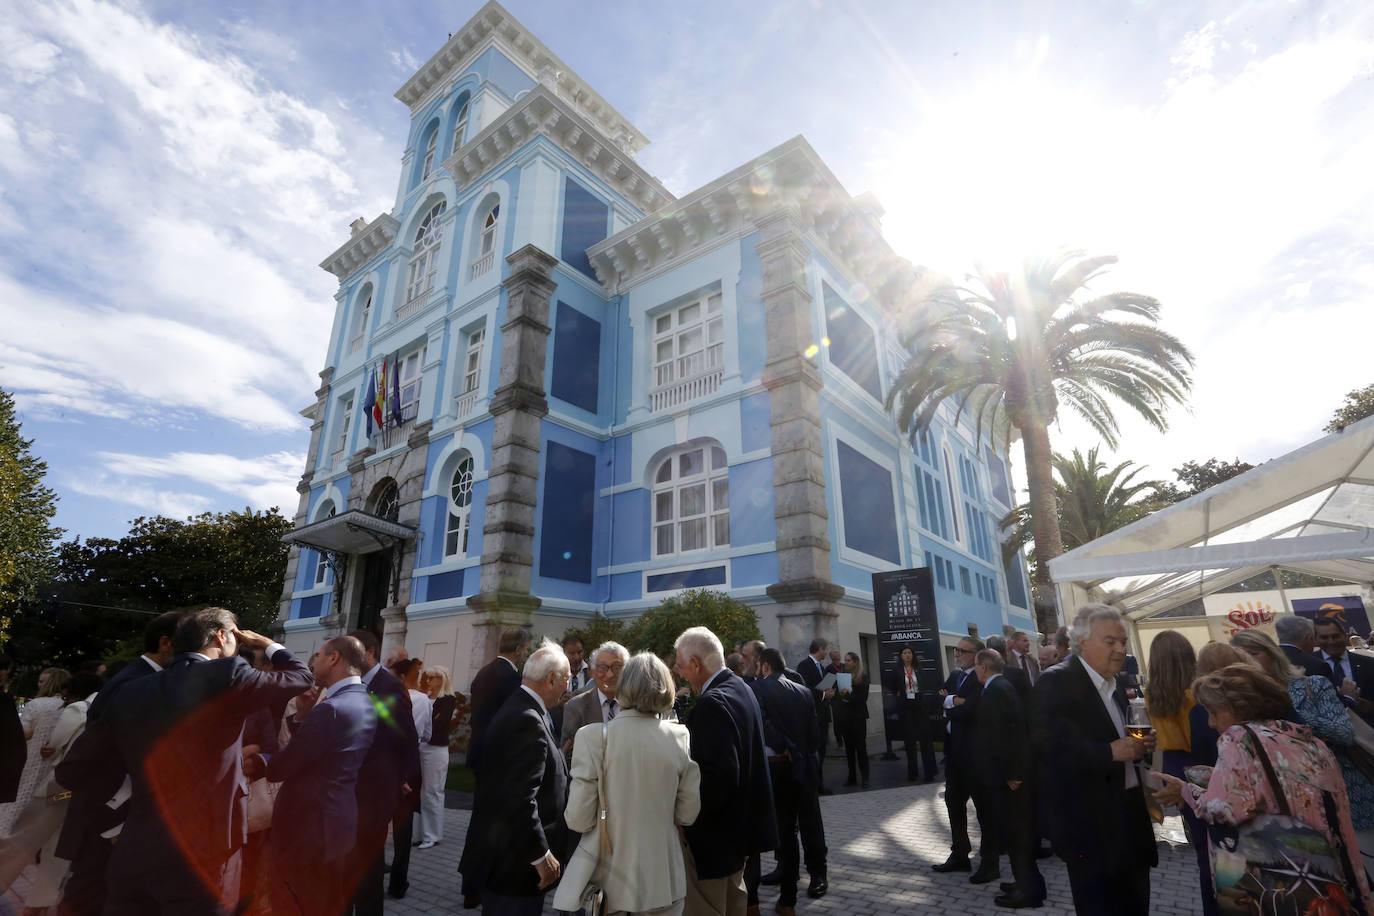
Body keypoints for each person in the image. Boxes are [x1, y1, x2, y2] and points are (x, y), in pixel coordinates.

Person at [61, 608, 312, 915]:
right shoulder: (228, 674)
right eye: (237, 636)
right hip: (205, 853)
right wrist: (267, 643)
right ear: (222, 636)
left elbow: (75, 769)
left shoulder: (132, 691)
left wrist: (114, 823)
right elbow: (301, 677)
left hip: (135, 845)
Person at [1154, 663, 1374, 913]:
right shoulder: (1309, 741)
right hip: (1332, 880)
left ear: (1240, 707)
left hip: (1282, 886)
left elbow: (1221, 810)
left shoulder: (1238, 739)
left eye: (1214, 712)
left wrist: (1186, 790)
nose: (1210, 722)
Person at [53, 609, 182, 916]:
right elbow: (92, 761)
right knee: (89, 898)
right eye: (190, 643)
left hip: (117, 822)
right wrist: (112, 827)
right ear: (166, 643)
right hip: (106, 822)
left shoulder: (147, 680)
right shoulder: (134, 685)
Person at [1032, 604, 1156, 915]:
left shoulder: (1120, 684)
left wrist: (1143, 747)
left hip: (1130, 820)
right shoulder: (1056, 682)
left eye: (1123, 642)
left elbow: (1123, 737)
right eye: (1110, 641)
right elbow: (1046, 750)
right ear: (1082, 641)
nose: (1120, 650)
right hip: (1091, 828)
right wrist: (1109, 752)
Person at [555, 652, 701, 916]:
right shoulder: (679, 737)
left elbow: (578, 819)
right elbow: (688, 814)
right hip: (663, 877)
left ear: (624, 686)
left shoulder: (591, 738)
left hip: (609, 879)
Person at [245, 635, 378, 916]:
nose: (314, 661)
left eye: (318, 655)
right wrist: (304, 716)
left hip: (308, 833)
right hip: (336, 826)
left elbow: (282, 767)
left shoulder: (330, 708)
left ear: (334, 658)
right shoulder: (364, 699)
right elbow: (323, 755)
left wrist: (259, 759)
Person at [1231, 629, 1374, 860]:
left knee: (1362, 869)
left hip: (1343, 793)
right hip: (1292, 807)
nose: (1248, 661)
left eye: (1253, 653)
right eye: (1240, 657)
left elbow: (1344, 732)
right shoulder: (1245, 703)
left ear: (1272, 654)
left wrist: (1290, 715)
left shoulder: (1313, 685)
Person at [458, 641, 572, 916]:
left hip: (510, 861)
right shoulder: (526, 720)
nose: (567, 688)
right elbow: (519, 799)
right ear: (552, 678)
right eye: (566, 680)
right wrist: (541, 855)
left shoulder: (522, 708)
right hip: (515, 866)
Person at [673, 627, 777, 916]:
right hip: (738, 834)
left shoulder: (711, 704)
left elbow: (717, 778)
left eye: (681, 666)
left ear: (695, 664)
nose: (680, 674)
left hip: (715, 841)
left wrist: (686, 820)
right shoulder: (742, 688)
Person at [347, 628, 421, 912]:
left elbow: (406, 739)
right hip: (347, 793)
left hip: (374, 797)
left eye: (352, 653)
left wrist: (400, 780)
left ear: (368, 653)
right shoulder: (349, 683)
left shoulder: (389, 686)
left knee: (367, 874)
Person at [752, 647, 828, 914]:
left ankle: (792, 890)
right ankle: (813, 875)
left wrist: (786, 746)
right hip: (804, 766)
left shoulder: (759, 689)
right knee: (808, 823)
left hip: (782, 767)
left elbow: (763, 724)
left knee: (788, 829)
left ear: (765, 666)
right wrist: (805, 755)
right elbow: (815, 733)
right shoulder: (804, 691)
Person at [1145, 630, 1215, 916]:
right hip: (1199, 764)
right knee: (1214, 844)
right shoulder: (1196, 693)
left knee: (1200, 847)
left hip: (1172, 766)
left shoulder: (1152, 694)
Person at [970, 649, 1044, 908]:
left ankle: (1028, 889)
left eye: (976, 666)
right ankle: (1026, 882)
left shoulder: (995, 690)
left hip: (1010, 778)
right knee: (1015, 833)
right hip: (1010, 774)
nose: (975, 670)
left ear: (983, 667)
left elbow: (1008, 736)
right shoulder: (1002, 686)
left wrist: (1012, 774)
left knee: (1015, 834)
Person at [934, 636, 985, 874]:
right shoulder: (955, 675)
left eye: (962, 651)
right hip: (953, 753)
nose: (957, 654)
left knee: (983, 808)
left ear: (976, 655)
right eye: (956, 650)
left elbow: (973, 710)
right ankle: (959, 854)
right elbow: (937, 698)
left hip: (974, 754)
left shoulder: (981, 677)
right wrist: (952, 701)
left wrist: (950, 704)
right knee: (954, 803)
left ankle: (989, 858)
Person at [0, 667, 70, 836]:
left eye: (42, 681)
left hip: (27, 757)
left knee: (16, 797)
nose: (39, 685)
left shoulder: (36, 705)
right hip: (53, 762)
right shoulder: (70, 707)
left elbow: (22, 732)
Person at [387, 658, 430, 896]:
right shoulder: (423, 700)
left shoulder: (382, 696)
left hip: (386, 766)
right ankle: (398, 882)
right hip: (410, 766)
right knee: (403, 830)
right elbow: (426, 734)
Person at [467, 628, 532, 772]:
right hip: (497, 753)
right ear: (518, 649)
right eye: (526, 650)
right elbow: (513, 717)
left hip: (478, 748)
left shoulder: (483, 672)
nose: (526, 654)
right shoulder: (511, 677)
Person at [559, 642, 628, 764]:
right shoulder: (576, 707)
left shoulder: (636, 704)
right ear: (593, 671)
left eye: (617, 668)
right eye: (602, 668)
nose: (610, 674)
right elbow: (567, 755)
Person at [418, 665, 456, 849]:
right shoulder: (426, 698)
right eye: (429, 677)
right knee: (421, 792)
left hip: (435, 750)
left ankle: (432, 835)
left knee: (432, 792)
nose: (428, 680)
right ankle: (422, 833)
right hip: (422, 747)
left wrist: (431, 720)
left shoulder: (447, 700)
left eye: (432, 677)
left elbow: (438, 723)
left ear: (441, 679)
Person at [886, 644, 937, 783]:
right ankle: (912, 773)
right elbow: (891, 685)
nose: (907, 655)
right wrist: (897, 694)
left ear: (913, 655)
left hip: (920, 706)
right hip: (906, 707)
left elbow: (924, 684)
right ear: (901, 656)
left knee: (925, 740)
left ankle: (929, 772)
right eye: (905, 653)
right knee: (910, 741)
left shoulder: (918, 669)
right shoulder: (896, 671)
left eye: (909, 652)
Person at [1314, 616, 1374, 725]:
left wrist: (1362, 704)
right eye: (1324, 637)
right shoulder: (1308, 666)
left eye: (1335, 636)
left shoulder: (1369, 664)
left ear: (1345, 636)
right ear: (1315, 640)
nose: (1331, 642)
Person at [795, 639, 836, 794]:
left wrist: (829, 692)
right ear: (819, 649)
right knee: (814, 752)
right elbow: (805, 689)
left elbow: (824, 687)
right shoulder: (804, 665)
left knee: (822, 751)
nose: (826, 653)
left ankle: (819, 784)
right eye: (825, 650)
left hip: (823, 715)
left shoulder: (823, 668)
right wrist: (824, 694)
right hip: (813, 716)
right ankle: (813, 785)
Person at [834, 651, 870, 788]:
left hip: (858, 717)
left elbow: (862, 699)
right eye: (845, 660)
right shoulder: (842, 676)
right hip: (845, 717)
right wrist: (837, 694)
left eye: (849, 660)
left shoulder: (863, 677)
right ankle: (852, 777)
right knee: (849, 750)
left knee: (861, 748)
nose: (846, 663)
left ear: (855, 662)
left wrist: (848, 693)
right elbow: (839, 696)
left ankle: (865, 777)